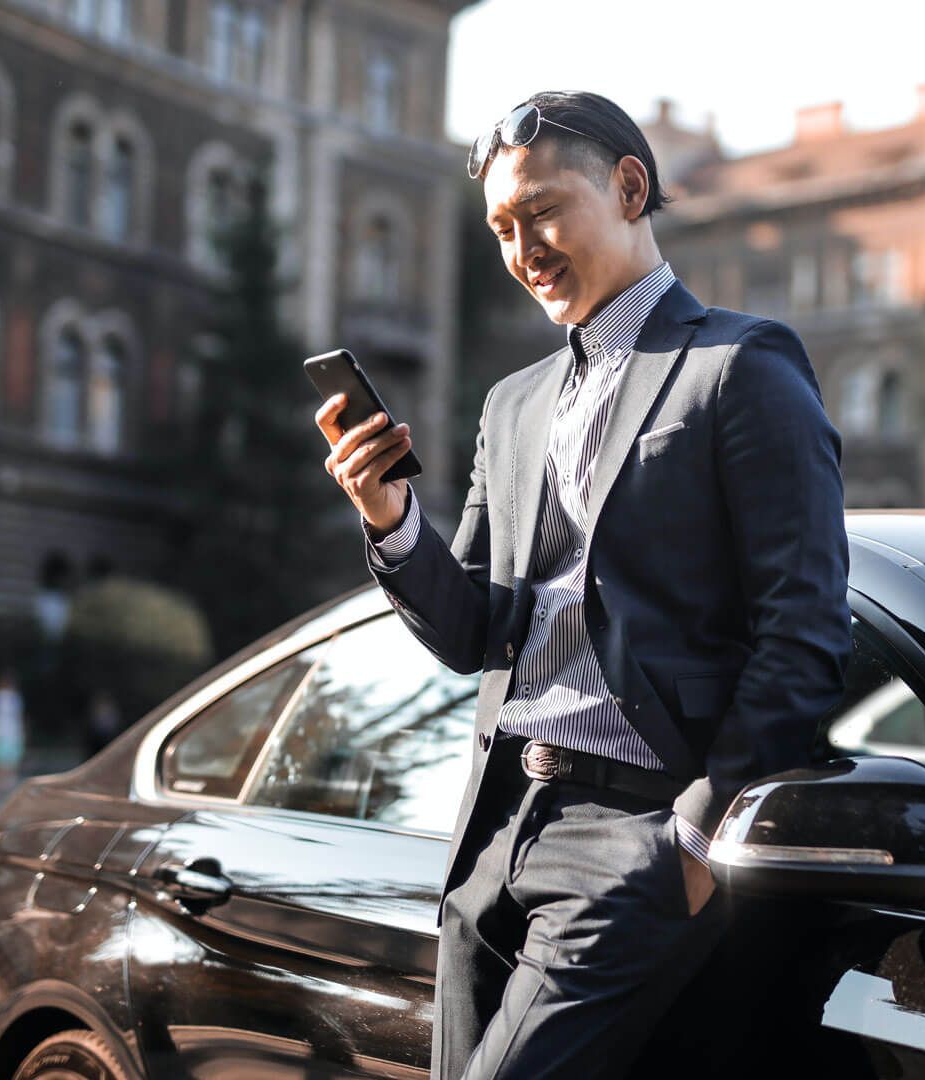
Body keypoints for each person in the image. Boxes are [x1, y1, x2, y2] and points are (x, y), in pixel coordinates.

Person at [316, 90, 851, 1080]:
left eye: (543, 211)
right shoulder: (511, 406)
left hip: (637, 834)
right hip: (499, 826)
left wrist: (695, 835)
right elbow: (476, 627)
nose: (524, 250)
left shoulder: (741, 366)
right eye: (501, 229)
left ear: (630, 186)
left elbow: (806, 630)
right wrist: (391, 520)